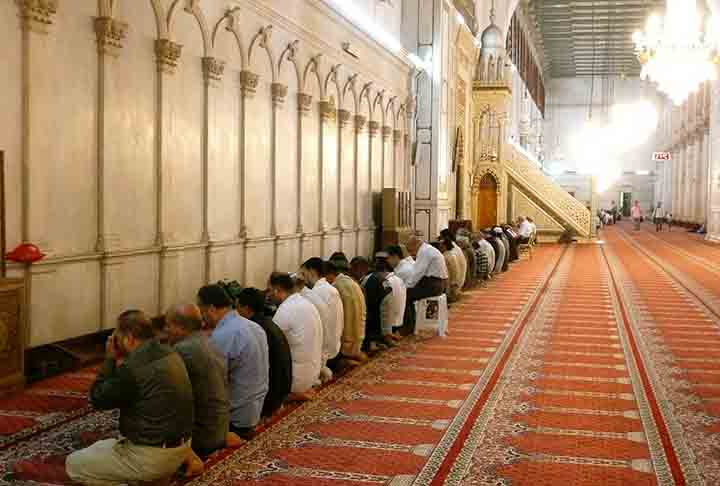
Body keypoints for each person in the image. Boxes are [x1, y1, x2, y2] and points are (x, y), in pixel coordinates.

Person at [12, 310, 194, 485]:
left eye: (117, 336)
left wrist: (110, 359)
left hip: (152, 457)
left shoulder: (133, 368)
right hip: (181, 449)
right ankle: (154, 476)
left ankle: (140, 478)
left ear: (129, 338)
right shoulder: (171, 353)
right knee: (102, 446)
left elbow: (98, 398)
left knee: (74, 464)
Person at [164, 304, 233, 476]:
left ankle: (189, 458)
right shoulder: (208, 341)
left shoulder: (182, 350)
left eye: (168, 325)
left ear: (180, 328)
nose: (165, 330)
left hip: (202, 438)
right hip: (221, 428)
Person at [198, 284, 269, 440]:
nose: (202, 318)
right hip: (256, 408)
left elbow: (213, 383)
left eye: (202, 311)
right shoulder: (254, 327)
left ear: (210, 309)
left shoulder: (224, 334)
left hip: (236, 416)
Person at [235, 288, 292, 419]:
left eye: (237, 308)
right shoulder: (269, 323)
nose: (236, 313)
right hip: (280, 393)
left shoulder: (253, 329)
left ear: (247, 309)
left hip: (268, 399)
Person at [268, 272, 323, 400]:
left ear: (277, 290)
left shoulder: (285, 309)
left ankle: (289, 395)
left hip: (296, 380)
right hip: (313, 373)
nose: (269, 295)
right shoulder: (306, 303)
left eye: (270, 291)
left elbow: (270, 344)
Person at [299, 258, 344, 380]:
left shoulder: (317, 293)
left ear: (312, 271)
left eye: (303, 273)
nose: (303, 279)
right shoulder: (330, 289)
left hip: (326, 353)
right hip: (336, 346)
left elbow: (319, 327)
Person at [402, 235, 449, 334]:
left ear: (415, 245)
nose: (411, 254)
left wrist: (405, 287)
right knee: (408, 292)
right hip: (440, 284)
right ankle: (411, 323)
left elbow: (417, 273)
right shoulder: (428, 249)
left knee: (405, 295)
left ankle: (408, 326)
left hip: (433, 285)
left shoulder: (424, 252)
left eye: (410, 250)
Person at [359, 254, 394, 350]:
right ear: (385, 270)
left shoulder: (365, 279)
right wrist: (387, 332)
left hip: (367, 319)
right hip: (376, 323)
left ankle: (372, 343)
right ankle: (376, 342)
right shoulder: (385, 281)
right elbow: (387, 306)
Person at [440, 238, 462, 303]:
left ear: (445, 246)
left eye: (441, 245)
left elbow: (454, 271)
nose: (440, 247)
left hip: (450, 281)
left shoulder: (448, 256)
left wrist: (453, 283)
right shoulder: (448, 254)